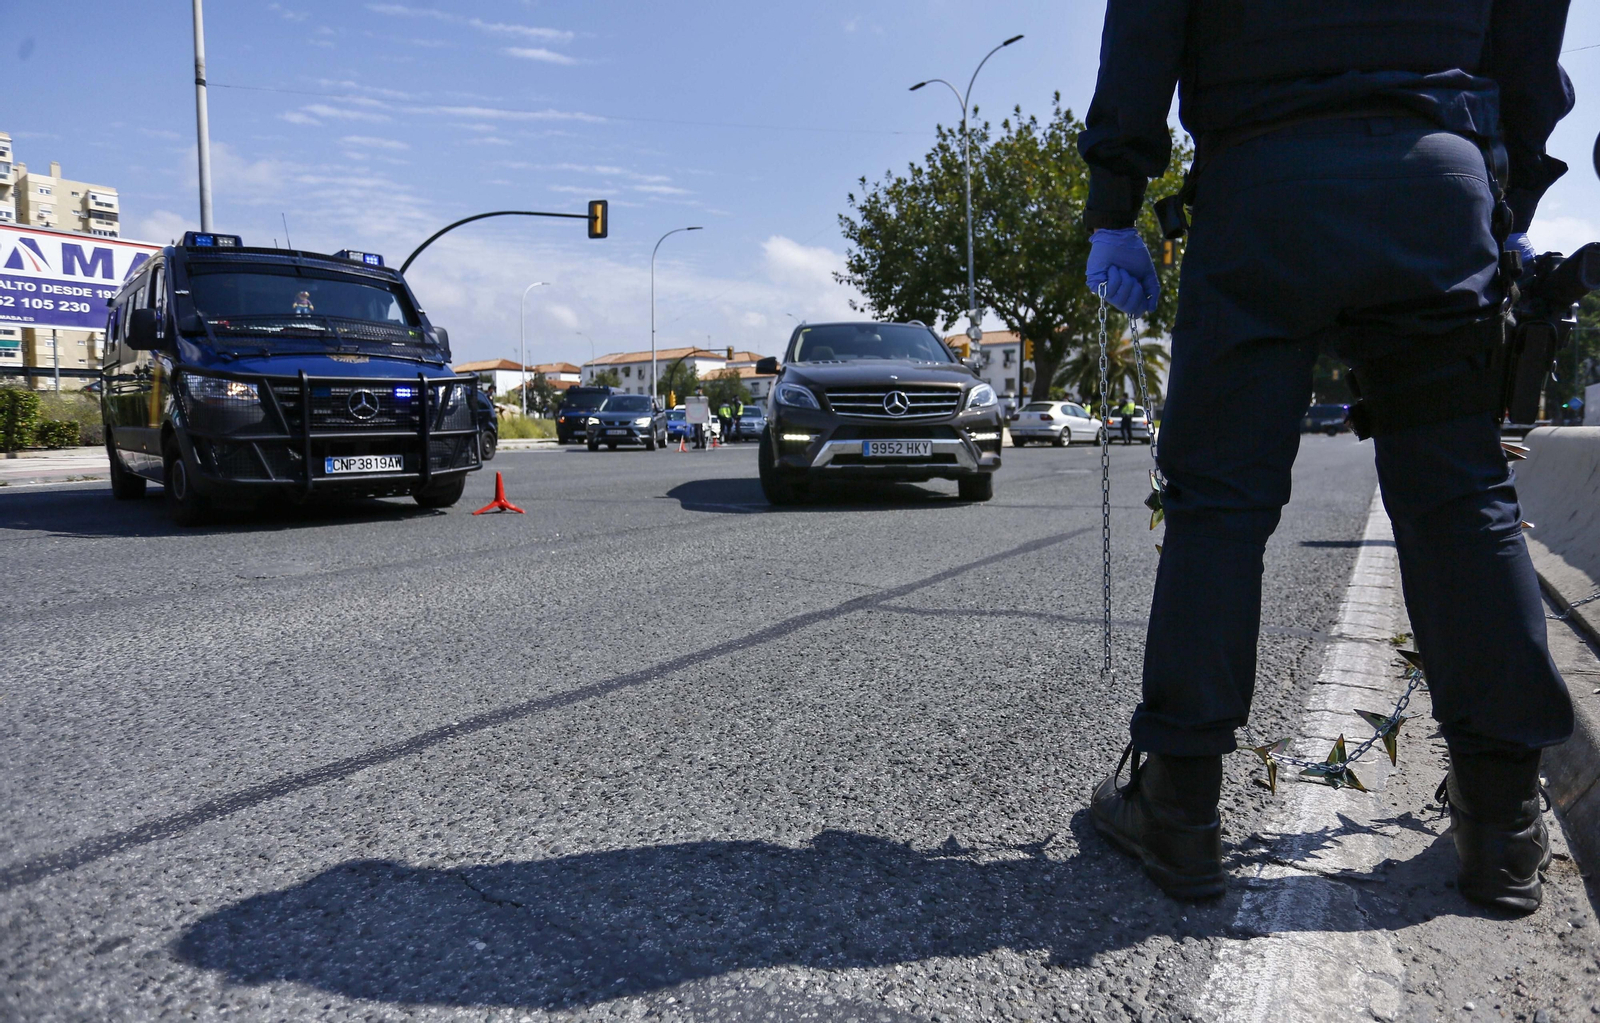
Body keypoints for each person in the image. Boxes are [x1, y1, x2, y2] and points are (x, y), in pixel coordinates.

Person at [1079, 0, 1575, 912]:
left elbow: (1144, 28)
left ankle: (1180, 806)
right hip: (1435, 183)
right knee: (1462, 497)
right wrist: (1511, 199)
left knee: (1217, 503)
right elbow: (1530, 46)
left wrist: (1116, 205)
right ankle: (1502, 824)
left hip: (1263, 192)